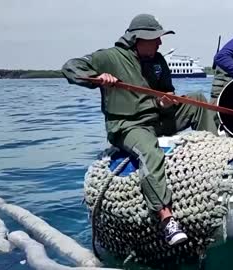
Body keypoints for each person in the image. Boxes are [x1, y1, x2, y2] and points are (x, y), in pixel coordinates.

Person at [61, 14, 218, 246]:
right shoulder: (109, 57)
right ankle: (167, 220)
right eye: (154, 39)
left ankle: (213, 163)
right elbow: (70, 68)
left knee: (197, 100)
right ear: (137, 38)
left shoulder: (158, 61)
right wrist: (96, 78)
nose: (159, 43)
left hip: (158, 118)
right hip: (128, 125)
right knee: (149, 151)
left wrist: (166, 102)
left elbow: (166, 92)